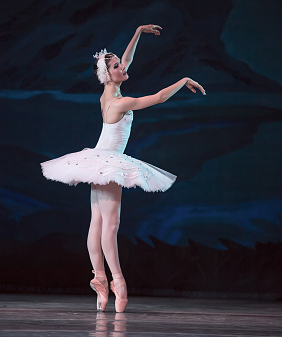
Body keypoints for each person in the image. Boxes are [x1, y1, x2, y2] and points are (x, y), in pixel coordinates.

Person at [41, 24, 206, 312]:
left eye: (120, 63)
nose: (123, 66)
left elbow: (125, 62)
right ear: (110, 74)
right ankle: (118, 283)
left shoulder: (107, 94)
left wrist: (138, 33)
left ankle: (100, 281)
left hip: (99, 159)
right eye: (117, 65)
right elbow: (158, 98)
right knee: (111, 225)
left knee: (97, 222)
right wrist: (183, 80)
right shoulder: (119, 102)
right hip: (107, 161)